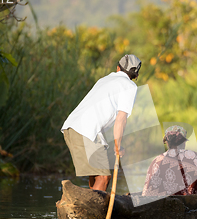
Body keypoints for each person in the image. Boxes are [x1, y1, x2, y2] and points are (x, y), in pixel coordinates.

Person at [61, 54, 142, 192]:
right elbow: (121, 119)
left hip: (71, 127)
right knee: (104, 177)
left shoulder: (104, 79)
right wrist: (118, 146)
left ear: (118, 68)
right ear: (135, 76)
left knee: (97, 174)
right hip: (87, 131)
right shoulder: (129, 85)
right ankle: (93, 211)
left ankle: (91, 204)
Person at [142, 125, 197, 196]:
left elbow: (148, 189)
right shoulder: (195, 157)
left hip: (159, 201)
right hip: (186, 200)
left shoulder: (156, 160)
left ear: (168, 144)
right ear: (183, 143)